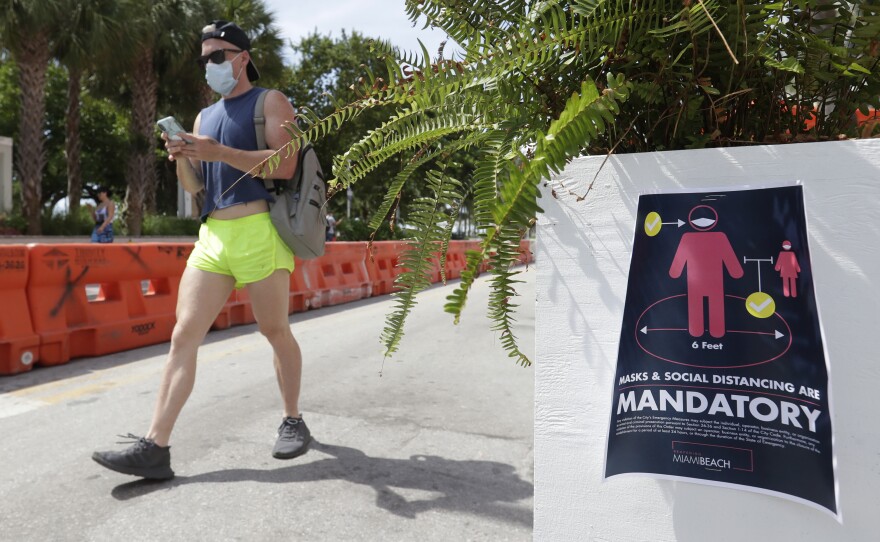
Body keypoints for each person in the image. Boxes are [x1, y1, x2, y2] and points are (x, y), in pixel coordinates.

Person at [92, 20, 310, 480]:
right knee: (183, 335)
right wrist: (184, 158)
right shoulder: (203, 117)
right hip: (213, 235)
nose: (210, 65)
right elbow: (195, 186)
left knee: (274, 330)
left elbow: (286, 165)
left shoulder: (271, 101)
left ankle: (293, 418)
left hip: (259, 229)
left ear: (242, 58)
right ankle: (156, 446)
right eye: (204, 59)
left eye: (218, 56)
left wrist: (220, 152)